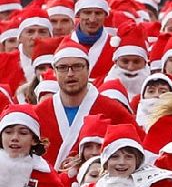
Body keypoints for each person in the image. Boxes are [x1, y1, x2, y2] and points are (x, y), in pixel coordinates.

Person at [35, 39, 135, 170]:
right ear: (55, 72)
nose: (70, 73)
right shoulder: (38, 113)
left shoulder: (113, 110)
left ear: (88, 69)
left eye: (77, 66)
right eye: (63, 68)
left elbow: (137, 150)